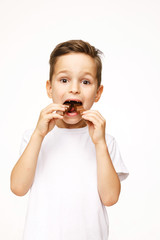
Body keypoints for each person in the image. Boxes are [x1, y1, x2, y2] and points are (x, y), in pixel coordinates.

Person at [10, 39, 129, 240]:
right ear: (49, 89)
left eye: (85, 82)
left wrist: (99, 144)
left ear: (98, 93)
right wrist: (38, 135)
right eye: (64, 80)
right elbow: (18, 188)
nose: (74, 89)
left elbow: (110, 198)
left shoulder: (106, 142)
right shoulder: (34, 138)